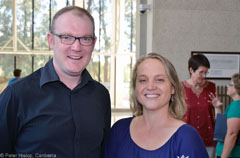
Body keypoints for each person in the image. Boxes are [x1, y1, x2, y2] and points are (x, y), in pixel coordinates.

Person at [0, 6, 111, 158]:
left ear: (93, 43)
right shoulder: (17, 95)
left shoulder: (101, 95)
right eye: (66, 37)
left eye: (85, 38)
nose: (76, 47)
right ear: (51, 41)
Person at [105, 52, 209, 158]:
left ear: (173, 88)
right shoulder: (119, 130)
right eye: (143, 80)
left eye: (159, 80)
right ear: (135, 88)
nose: (150, 86)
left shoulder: (187, 137)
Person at [182, 54, 221, 158]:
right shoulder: (180, 88)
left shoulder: (211, 87)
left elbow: (218, 119)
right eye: (201, 72)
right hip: (186, 138)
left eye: (206, 72)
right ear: (191, 70)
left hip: (208, 139)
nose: (204, 76)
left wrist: (217, 107)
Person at [210, 73, 240, 158]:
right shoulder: (234, 104)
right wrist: (217, 107)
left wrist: (223, 156)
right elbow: (221, 126)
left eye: (230, 84)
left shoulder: (237, 106)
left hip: (232, 154)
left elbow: (232, 134)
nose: (227, 85)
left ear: (237, 87)